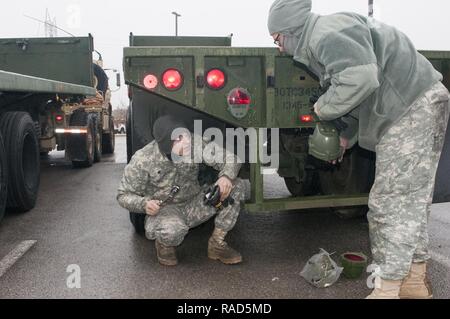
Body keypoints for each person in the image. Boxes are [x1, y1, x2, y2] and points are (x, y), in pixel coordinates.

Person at [268, 0, 450, 299]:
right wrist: (345, 136)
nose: (278, 48)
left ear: (291, 31)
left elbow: (362, 79)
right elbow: (361, 94)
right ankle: (414, 283)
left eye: (277, 39)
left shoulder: (325, 34)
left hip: (409, 109)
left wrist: (321, 109)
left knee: (389, 204)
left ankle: (388, 289)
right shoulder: (329, 33)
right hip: (421, 103)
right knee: (411, 203)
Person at [117, 115, 245, 266]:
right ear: (166, 144)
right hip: (166, 210)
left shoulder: (193, 143)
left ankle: (217, 243)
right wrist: (144, 204)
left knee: (236, 186)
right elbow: (123, 195)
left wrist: (226, 177)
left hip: (195, 204)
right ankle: (164, 244)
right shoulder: (143, 159)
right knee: (172, 230)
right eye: (179, 138)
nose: (186, 140)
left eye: (185, 134)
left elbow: (231, 158)